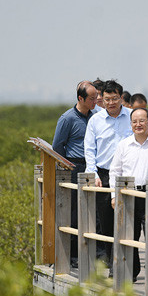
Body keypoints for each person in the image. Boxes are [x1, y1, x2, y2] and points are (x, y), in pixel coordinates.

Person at [109, 107, 148, 282]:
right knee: (129, 236)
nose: (138, 125)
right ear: (130, 124)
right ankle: (131, 273)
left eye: (142, 121)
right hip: (129, 195)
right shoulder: (124, 145)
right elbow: (115, 171)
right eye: (134, 121)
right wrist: (115, 195)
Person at [84, 80, 133, 270]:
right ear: (100, 100)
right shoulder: (95, 120)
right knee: (106, 220)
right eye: (106, 99)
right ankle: (113, 263)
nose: (111, 103)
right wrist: (93, 173)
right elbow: (89, 149)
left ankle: (129, 264)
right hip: (103, 176)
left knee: (129, 220)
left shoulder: (132, 117)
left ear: (121, 98)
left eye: (114, 98)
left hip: (128, 175)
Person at [52, 81, 97, 267]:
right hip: (74, 165)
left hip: (92, 166)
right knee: (73, 212)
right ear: (81, 98)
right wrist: (67, 167)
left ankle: (92, 253)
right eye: (92, 98)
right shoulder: (67, 118)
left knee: (91, 211)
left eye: (97, 97)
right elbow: (57, 145)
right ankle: (72, 256)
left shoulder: (94, 117)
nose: (96, 101)